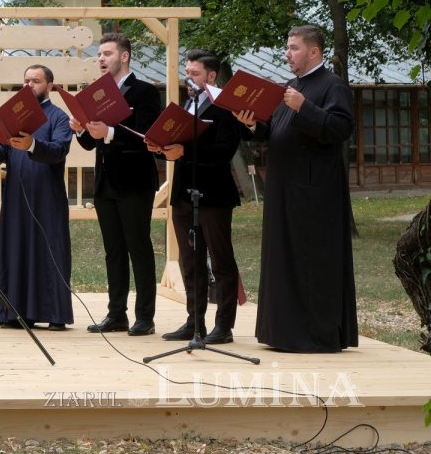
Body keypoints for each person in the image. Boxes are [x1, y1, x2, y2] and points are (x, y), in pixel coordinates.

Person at [234, 25, 357, 353]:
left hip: (315, 192)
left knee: (311, 260)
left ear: (313, 51)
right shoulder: (289, 86)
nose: (287, 53)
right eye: (287, 48)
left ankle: (315, 335)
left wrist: (305, 107)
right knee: (282, 259)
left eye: (294, 48)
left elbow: (340, 129)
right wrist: (251, 123)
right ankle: (283, 332)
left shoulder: (333, 86)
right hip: (283, 188)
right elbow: (274, 130)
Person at [147, 50, 242, 345]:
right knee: (190, 261)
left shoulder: (227, 108)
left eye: (196, 73)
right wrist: (162, 145)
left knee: (221, 260)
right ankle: (194, 321)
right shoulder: (188, 103)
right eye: (187, 72)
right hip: (184, 193)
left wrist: (184, 151)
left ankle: (223, 325)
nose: (189, 78)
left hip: (214, 193)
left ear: (212, 76)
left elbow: (224, 151)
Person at [72, 32, 162, 336]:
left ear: (124, 56)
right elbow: (88, 143)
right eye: (99, 55)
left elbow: (147, 135)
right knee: (113, 251)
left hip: (135, 181)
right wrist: (80, 128)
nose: (101, 59)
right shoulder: (97, 92)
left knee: (139, 247)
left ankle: (145, 317)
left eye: (107, 54)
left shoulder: (145, 92)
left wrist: (109, 133)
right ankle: (116, 314)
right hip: (105, 183)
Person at [0, 64, 73, 330]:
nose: (29, 86)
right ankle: (15, 313)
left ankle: (55, 314)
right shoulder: (13, 116)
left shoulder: (58, 117)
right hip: (16, 198)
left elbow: (58, 150)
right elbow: (1, 154)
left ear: (50, 86)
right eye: (26, 81)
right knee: (16, 248)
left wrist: (32, 145)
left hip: (47, 197)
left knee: (49, 249)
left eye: (35, 81)